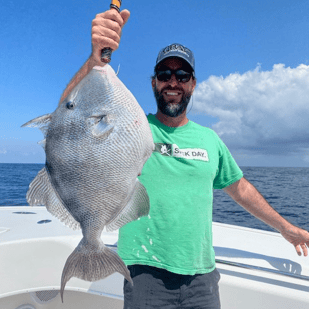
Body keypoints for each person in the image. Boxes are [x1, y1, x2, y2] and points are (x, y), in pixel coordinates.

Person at [60, 8, 309, 309]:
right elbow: (70, 113)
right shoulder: (132, 127)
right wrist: (96, 58)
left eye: (182, 75)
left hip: (202, 278)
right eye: (165, 75)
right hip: (144, 274)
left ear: (192, 84)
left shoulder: (210, 140)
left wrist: (284, 227)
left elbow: (239, 188)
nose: (173, 82)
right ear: (154, 83)